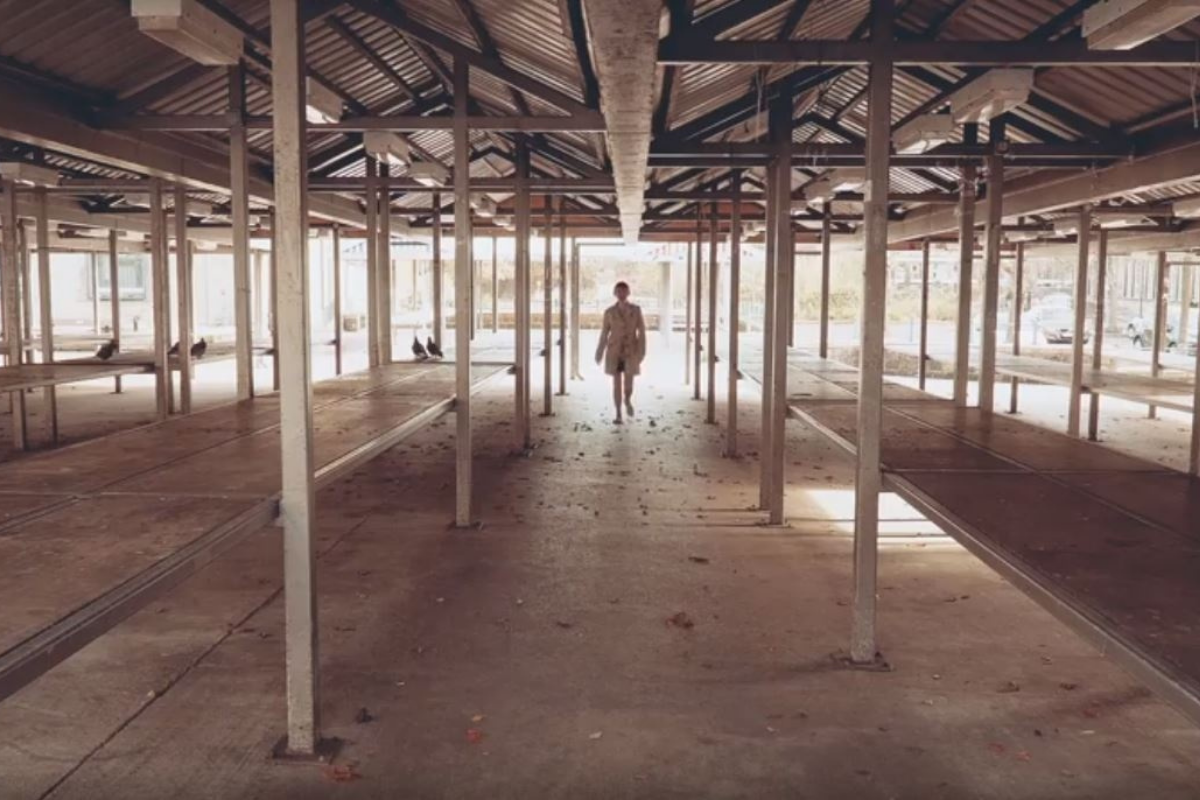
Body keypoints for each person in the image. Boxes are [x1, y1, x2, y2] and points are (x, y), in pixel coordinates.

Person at [595, 281, 647, 424]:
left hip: (631, 351)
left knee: (629, 384)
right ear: (615, 293)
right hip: (614, 352)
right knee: (616, 383)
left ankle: (627, 399)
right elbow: (604, 333)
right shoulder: (609, 312)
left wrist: (642, 351)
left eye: (624, 291)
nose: (621, 294)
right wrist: (599, 352)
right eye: (619, 291)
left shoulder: (636, 310)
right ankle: (618, 413)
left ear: (628, 293)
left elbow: (642, 331)